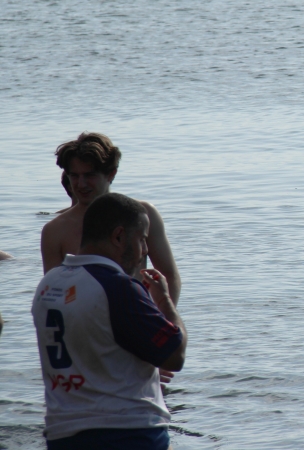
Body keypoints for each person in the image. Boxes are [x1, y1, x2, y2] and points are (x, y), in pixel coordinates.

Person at [31, 193, 187, 450]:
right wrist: (165, 301)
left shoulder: (48, 285)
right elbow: (174, 355)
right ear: (118, 237)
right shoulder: (118, 287)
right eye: (141, 239)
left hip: (62, 432)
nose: (145, 250)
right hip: (128, 432)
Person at [40, 133, 181, 303]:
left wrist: (162, 316)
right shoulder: (54, 231)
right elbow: (53, 292)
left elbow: (168, 275)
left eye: (89, 175)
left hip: (136, 312)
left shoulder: (143, 214)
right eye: (74, 176)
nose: (81, 184)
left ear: (111, 174)